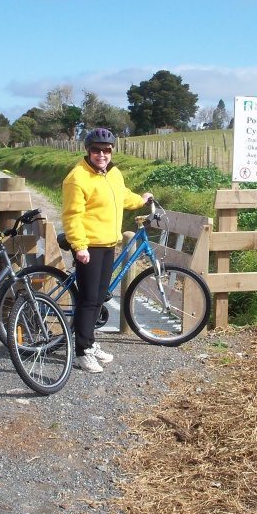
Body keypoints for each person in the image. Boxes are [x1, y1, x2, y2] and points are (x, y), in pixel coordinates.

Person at [62, 127, 152, 373]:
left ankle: (89, 343)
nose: (101, 154)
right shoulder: (77, 178)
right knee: (89, 300)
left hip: (109, 244)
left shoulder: (113, 174)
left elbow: (122, 196)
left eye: (106, 150)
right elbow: (72, 216)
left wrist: (141, 200)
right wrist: (79, 246)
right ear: (88, 151)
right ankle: (81, 352)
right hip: (89, 246)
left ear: (112, 151)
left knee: (99, 297)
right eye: (96, 150)